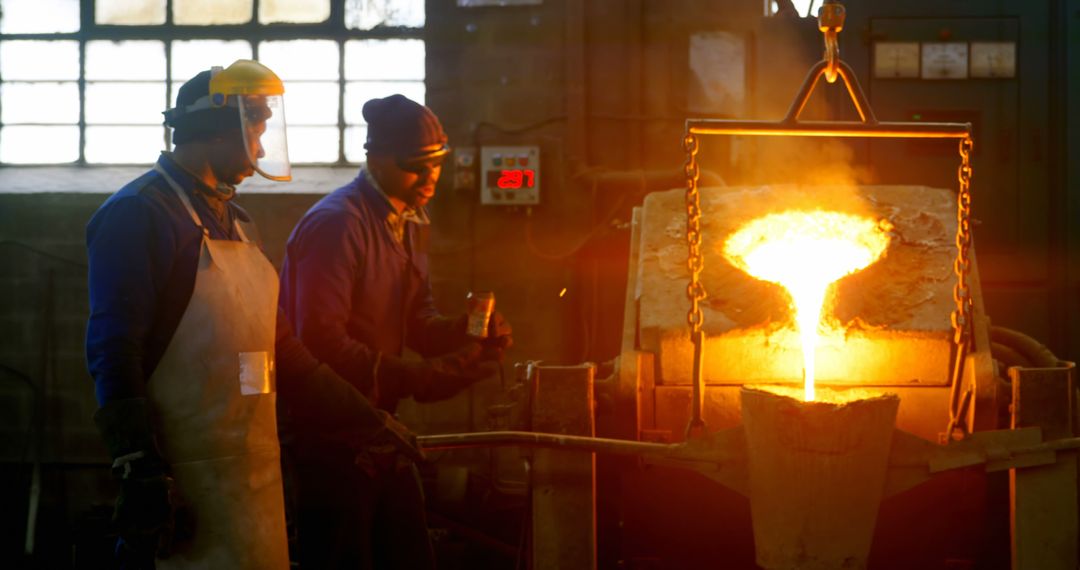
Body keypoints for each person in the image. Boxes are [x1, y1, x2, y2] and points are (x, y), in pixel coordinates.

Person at [85, 61, 420, 570]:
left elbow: (283, 350)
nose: (262, 150)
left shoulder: (237, 223)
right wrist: (138, 467)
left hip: (251, 474)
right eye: (255, 133)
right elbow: (114, 349)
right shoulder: (139, 214)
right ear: (219, 131)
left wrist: (368, 418)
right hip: (179, 482)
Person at [279, 93, 512, 569]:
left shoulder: (406, 219)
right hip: (330, 436)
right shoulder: (338, 225)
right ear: (376, 158)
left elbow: (418, 322)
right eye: (415, 166)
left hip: (378, 428)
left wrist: (468, 332)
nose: (430, 179)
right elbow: (320, 343)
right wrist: (425, 379)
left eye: (437, 165)